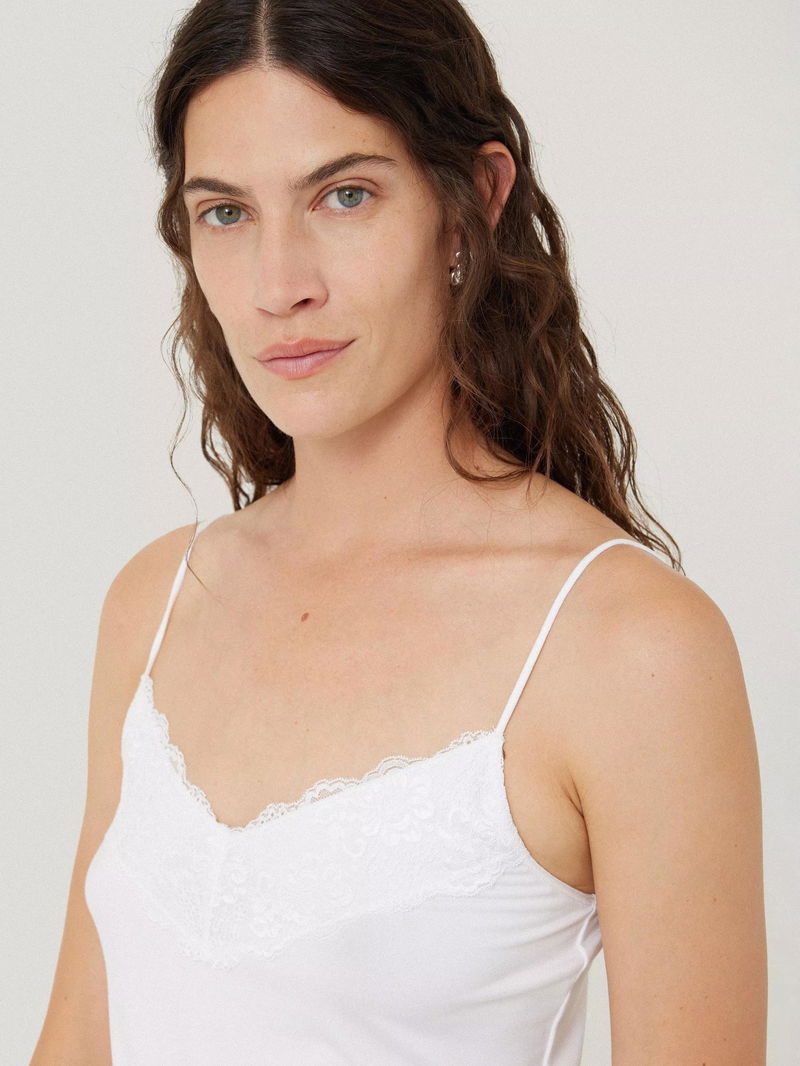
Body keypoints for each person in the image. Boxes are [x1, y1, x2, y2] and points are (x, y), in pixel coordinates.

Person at [30, 1, 767, 1063]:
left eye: (344, 195)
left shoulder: (627, 647)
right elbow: (76, 1039)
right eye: (226, 213)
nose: (280, 286)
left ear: (471, 203)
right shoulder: (157, 603)